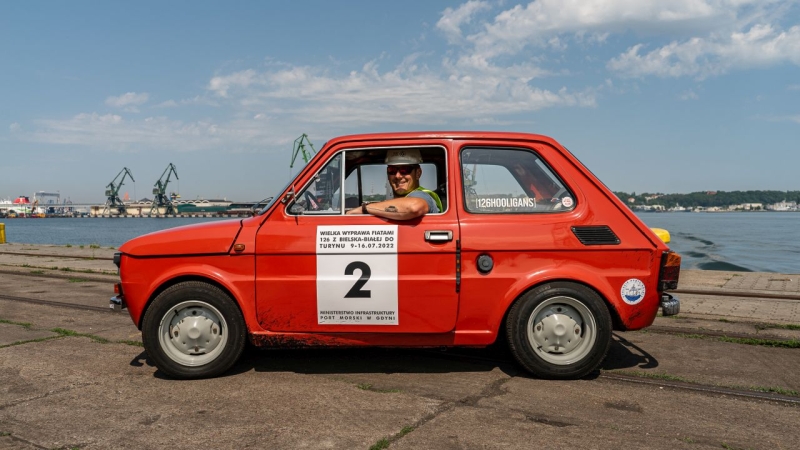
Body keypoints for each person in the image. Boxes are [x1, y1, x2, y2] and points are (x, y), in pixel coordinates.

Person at [347, 149, 442, 220]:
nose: (398, 176)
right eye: (392, 170)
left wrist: (364, 209)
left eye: (405, 170)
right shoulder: (399, 201)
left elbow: (413, 207)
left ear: (418, 173)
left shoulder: (422, 195)